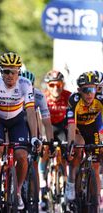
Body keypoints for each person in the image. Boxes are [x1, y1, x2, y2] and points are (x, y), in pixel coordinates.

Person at [0, 52, 41, 210]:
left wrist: (34, 137)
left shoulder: (26, 83)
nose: (9, 75)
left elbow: (30, 112)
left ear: (19, 72)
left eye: (13, 71)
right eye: (6, 71)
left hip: (17, 120)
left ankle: (17, 191)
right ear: (1, 72)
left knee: (22, 155)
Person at [65, 71, 102, 209]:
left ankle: (96, 200)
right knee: (78, 150)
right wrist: (71, 144)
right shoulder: (74, 100)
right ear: (79, 90)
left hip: (92, 128)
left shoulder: (100, 99)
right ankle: (71, 183)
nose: (89, 94)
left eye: (93, 89)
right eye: (86, 90)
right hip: (77, 128)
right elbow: (71, 125)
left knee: (96, 165)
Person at [20, 70, 54, 210]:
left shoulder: (39, 95)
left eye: (30, 85)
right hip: (15, 123)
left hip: (32, 124)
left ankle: (35, 197)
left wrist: (50, 142)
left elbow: (46, 122)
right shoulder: (12, 92)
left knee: (34, 163)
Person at [42, 69, 71, 207]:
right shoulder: (43, 97)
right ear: (47, 86)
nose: (55, 88)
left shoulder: (68, 96)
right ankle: (42, 181)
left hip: (62, 127)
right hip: (47, 126)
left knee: (65, 154)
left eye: (58, 85)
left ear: (63, 85)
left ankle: (64, 180)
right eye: (52, 85)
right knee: (44, 149)